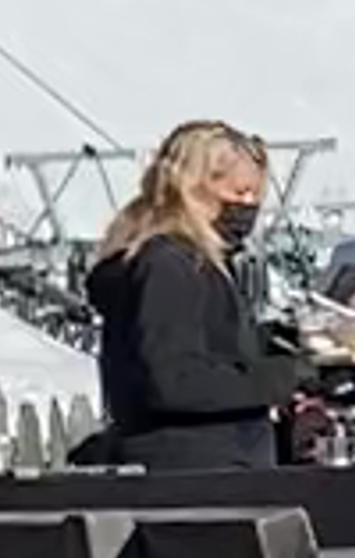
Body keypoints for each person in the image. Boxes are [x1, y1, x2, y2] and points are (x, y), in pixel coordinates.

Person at [81, 123, 331, 473]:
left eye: (255, 197)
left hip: (214, 467)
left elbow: (211, 346)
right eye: (240, 193)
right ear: (194, 188)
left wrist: (283, 342)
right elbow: (175, 379)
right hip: (198, 472)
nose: (249, 207)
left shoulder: (193, 262)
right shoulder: (170, 266)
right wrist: (282, 378)